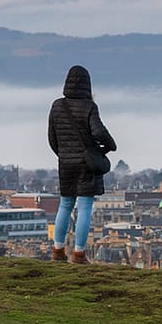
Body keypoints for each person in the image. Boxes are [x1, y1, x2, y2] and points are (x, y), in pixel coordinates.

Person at [47, 65, 116, 263]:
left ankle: (57, 251)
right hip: (87, 164)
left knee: (65, 204)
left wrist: (64, 154)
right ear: (87, 85)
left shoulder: (57, 105)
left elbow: (52, 138)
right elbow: (99, 132)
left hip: (66, 163)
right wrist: (110, 145)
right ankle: (79, 254)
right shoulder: (89, 107)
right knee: (85, 206)